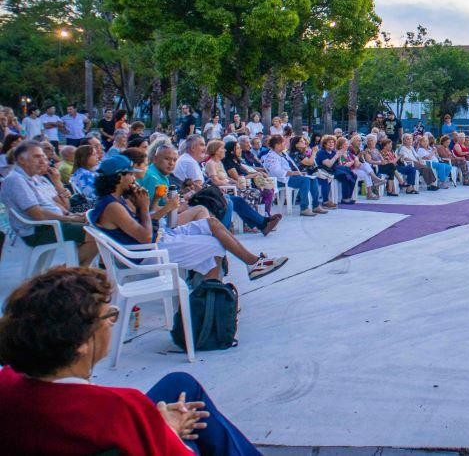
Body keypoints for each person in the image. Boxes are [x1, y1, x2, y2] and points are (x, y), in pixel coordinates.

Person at [0, 266, 262, 455]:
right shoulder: (120, 409)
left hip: (45, 430)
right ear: (80, 344)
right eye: (108, 317)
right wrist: (166, 429)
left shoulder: (6, 384)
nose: (112, 324)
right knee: (194, 421)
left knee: (180, 383)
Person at [92, 154, 286, 280]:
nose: (134, 178)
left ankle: (252, 264)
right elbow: (143, 236)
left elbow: (144, 223)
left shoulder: (118, 200)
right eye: (130, 175)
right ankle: (212, 292)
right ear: (118, 177)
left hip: (155, 239)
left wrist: (146, 204)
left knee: (211, 224)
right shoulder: (112, 206)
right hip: (146, 253)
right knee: (215, 245)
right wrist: (143, 207)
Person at [0, 141, 97, 265]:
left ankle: (76, 273)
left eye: (43, 157)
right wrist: (70, 218)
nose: (43, 160)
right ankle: (69, 274)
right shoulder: (16, 180)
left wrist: (57, 182)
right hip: (39, 229)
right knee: (96, 235)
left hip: (53, 223)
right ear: (21, 160)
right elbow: (37, 214)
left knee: (97, 227)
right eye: (37, 157)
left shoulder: (37, 178)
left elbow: (65, 206)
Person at [263, 134, 327, 215]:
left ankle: (316, 206)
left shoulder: (283, 153)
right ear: (277, 145)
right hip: (280, 180)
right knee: (305, 180)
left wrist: (299, 173)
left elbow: (292, 166)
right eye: (283, 143)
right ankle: (304, 208)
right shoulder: (271, 156)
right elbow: (277, 172)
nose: (285, 144)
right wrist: (294, 173)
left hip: (289, 176)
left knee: (312, 179)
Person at [315, 135, 357, 204]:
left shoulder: (334, 152)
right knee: (345, 176)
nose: (331, 144)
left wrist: (340, 159)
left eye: (333, 142)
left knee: (354, 175)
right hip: (326, 171)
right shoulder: (321, 152)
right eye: (329, 142)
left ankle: (348, 196)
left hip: (335, 169)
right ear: (324, 144)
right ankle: (345, 198)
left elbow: (338, 164)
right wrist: (336, 156)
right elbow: (329, 164)